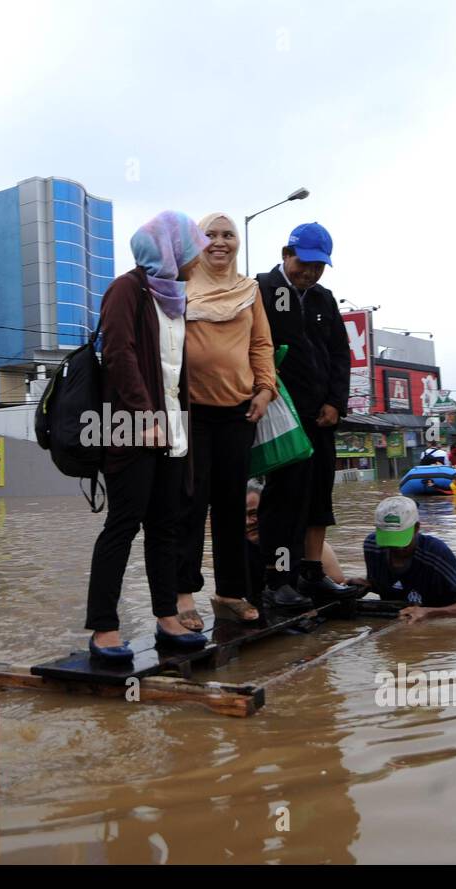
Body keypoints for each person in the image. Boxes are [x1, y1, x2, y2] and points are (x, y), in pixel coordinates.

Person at [86, 211, 209, 662]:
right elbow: (118, 354)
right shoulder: (127, 289)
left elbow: (174, 373)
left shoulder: (174, 298)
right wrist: (144, 415)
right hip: (130, 427)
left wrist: (172, 426)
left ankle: (166, 617)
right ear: (172, 250)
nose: (197, 259)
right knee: (123, 524)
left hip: (172, 429)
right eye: (192, 249)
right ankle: (103, 626)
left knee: (165, 526)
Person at [175, 213, 276, 629]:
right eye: (211, 235)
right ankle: (182, 597)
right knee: (190, 504)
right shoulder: (179, 285)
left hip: (239, 411)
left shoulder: (249, 290)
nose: (220, 242)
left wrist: (266, 389)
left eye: (228, 235)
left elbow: (262, 344)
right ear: (197, 242)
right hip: (192, 412)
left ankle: (230, 593)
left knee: (232, 506)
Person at [255, 222, 353, 609]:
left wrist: (336, 402)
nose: (310, 273)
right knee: (284, 496)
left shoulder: (323, 300)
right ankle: (277, 579)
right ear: (286, 254)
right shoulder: (261, 290)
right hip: (280, 415)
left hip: (320, 415)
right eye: (304, 263)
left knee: (318, 495)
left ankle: (313, 574)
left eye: (319, 266)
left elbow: (339, 354)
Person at [348, 496, 456, 624]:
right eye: (389, 539)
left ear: (416, 528)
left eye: (400, 540)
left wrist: (429, 612)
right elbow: (395, 587)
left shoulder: (436, 553)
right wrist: (369, 585)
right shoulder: (372, 547)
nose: (395, 547)